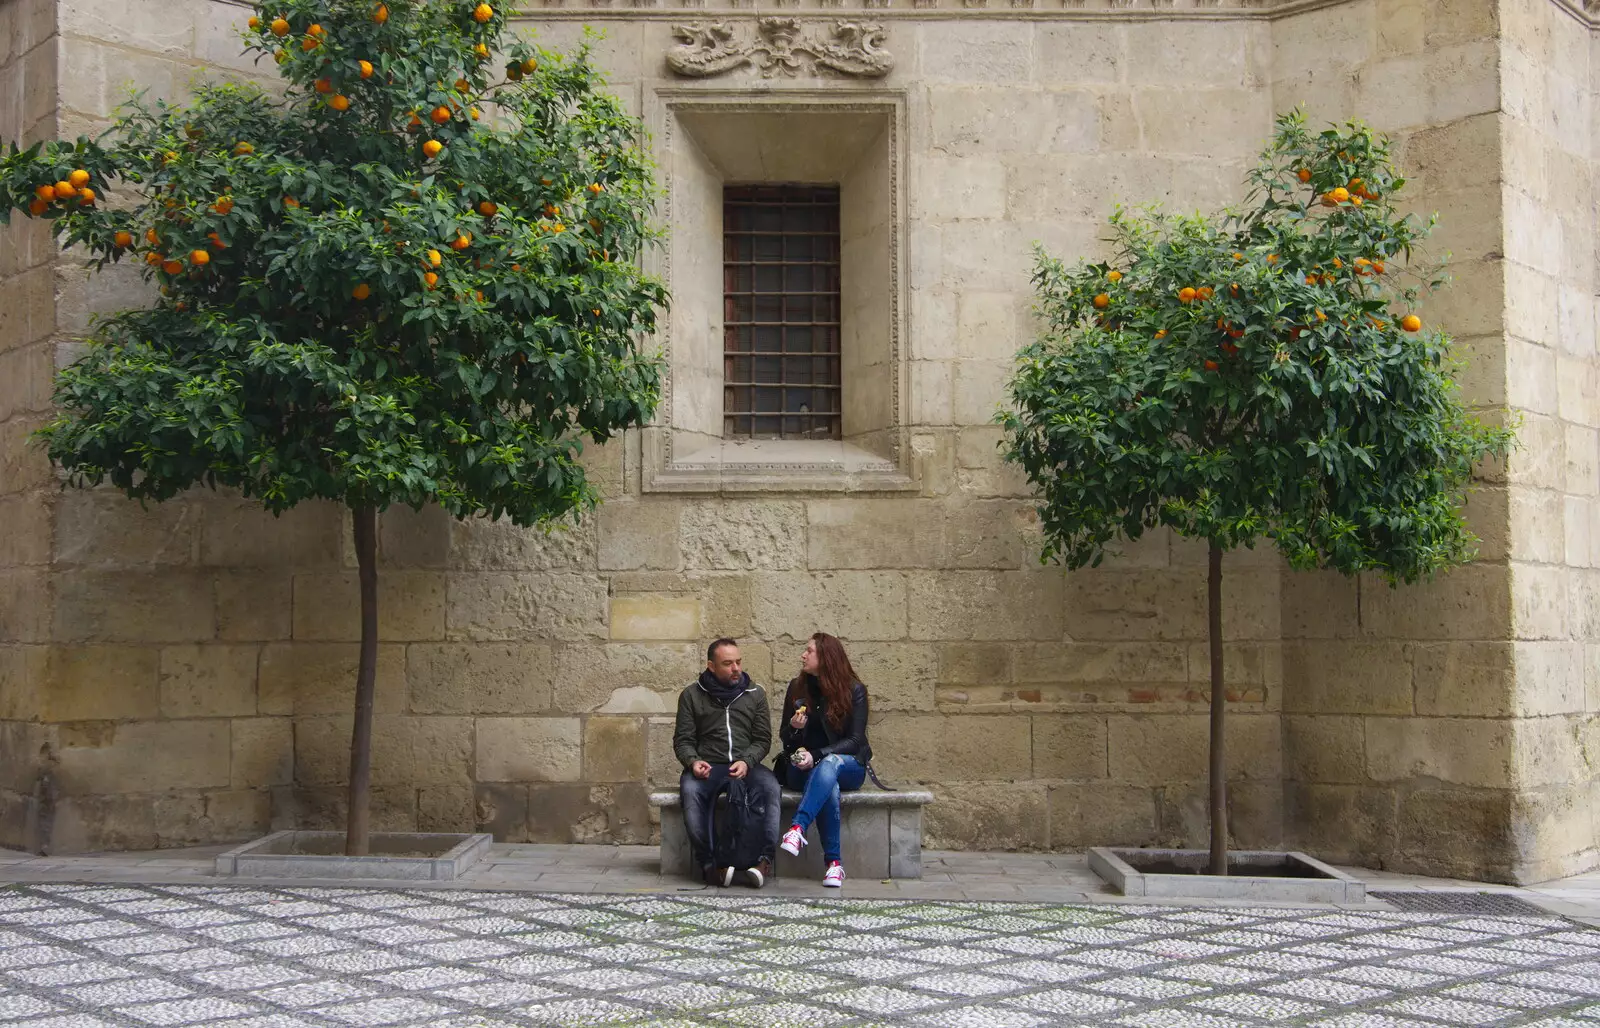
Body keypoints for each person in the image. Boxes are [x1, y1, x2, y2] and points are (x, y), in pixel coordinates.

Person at [673, 638, 782, 888]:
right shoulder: (691, 695)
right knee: (690, 791)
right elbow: (683, 740)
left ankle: (763, 862)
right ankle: (711, 866)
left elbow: (762, 739)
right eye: (728, 663)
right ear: (711, 666)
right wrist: (693, 761)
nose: (736, 669)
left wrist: (747, 760)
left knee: (770, 788)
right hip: (708, 766)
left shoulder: (755, 694)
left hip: (746, 765)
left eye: (738, 662)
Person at [775, 632, 872, 888]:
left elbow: (855, 741)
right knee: (829, 785)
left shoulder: (854, 690)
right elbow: (786, 740)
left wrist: (817, 755)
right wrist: (795, 729)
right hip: (803, 768)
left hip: (847, 765)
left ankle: (798, 828)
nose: (803, 655)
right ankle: (834, 865)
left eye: (809, 651)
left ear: (826, 657)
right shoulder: (797, 688)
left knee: (829, 765)